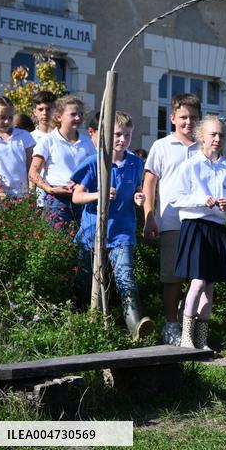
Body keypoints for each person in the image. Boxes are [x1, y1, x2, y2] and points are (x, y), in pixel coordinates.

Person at [70, 111, 153, 339]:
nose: (122, 139)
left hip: (122, 232)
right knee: (87, 281)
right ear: (105, 135)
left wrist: (138, 197)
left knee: (125, 277)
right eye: (117, 134)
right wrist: (100, 194)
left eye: (127, 134)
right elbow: (77, 197)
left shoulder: (136, 163)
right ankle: (82, 325)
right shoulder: (94, 162)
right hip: (92, 233)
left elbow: (137, 188)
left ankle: (136, 326)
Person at [171, 115, 226, 350]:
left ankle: (202, 340)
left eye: (221, 134)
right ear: (201, 136)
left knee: (209, 286)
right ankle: (186, 338)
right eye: (213, 134)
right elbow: (176, 199)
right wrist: (203, 200)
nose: (217, 138)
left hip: (217, 229)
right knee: (198, 282)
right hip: (196, 226)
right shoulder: (190, 165)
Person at [142, 93, 201, 345]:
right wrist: (149, 217)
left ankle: (194, 328)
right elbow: (149, 184)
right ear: (173, 118)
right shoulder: (162, 146)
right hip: (171, 221)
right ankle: (171, 325)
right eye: (184, 117)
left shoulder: (205, 145)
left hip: (201, 221)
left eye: (194, 118)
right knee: (172, 278)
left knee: (200, 279)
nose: (189, 122)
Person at [30, 95, 94, 226]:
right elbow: (33, 172)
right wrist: (50, 189)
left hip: (82, 198)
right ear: (59, 117)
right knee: (56, 243)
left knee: (82, 243)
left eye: (81, 114)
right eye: (73, 114)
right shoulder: (48, 140)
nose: (78, 118)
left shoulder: (87, 142)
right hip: (56, 200)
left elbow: (94, 170)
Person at [30, 91, 57, 207]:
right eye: (41, 109)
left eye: (49, 109)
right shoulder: (29, 138)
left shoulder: (60, 137)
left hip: (56, 195)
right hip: (36, 196)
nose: (45, 113)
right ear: (34, 112)